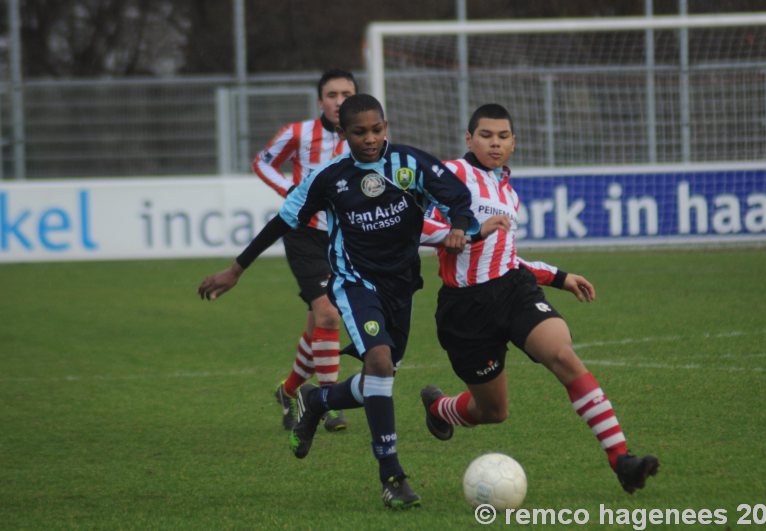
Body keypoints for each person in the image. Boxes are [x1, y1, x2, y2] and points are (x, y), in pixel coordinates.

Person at [198, 94, 485, 509]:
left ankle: (317, 400)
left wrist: (460, 226)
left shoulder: (410, 164)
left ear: (387, 126)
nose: (369, 139)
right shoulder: (328, 178)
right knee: (381, 364)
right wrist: (236, 269)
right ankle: (392, 476)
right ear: (343, 133)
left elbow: (457, 197)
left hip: (402, 286)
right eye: (359, 132)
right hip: (355, 284)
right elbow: (283, 220)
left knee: (377, 384)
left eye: (376, 130)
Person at [418, 103, 660, 495]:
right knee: (493, 411)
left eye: (502, 137)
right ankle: (439, 408)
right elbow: (413, 223)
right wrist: (466, 231)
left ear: (513, 143)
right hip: (464, 309)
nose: (494, 144)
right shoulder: (450, 175)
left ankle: (622, 460)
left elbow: (507, 258)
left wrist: (560, 277)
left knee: (561, 352)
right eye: (485, 135)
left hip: (513, 289)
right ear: (469, 138)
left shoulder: (509, 194)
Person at [252, 69, 357, 433]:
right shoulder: (297, 133)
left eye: (346, 93)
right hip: (304, 233)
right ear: (320, 101)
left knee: (318, 322)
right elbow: (263, 162)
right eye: (332, 94)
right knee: (329, 315)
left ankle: (288, 390)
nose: (339, 100)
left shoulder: (366, 137)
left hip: (344, 238)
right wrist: (289, 189)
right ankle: (328, 402)